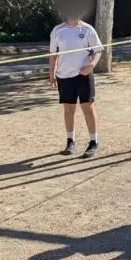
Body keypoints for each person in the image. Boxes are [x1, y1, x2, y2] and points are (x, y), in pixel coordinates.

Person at [50, 11, 103, 159]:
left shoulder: (88, 29)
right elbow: (53, 54)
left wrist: (91, 65)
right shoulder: (57, 30)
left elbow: (98, 50)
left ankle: (93, 142)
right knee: (68, 109)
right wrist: (52, 74)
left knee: (88, 108)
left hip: (83, 75)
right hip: (64, 76)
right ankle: (70, 141)